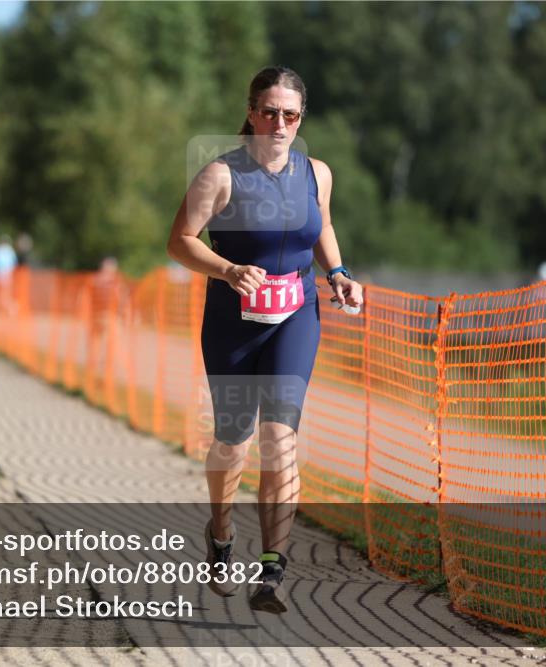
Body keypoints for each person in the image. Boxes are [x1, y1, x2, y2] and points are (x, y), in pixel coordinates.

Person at [166, 66, 363, 613]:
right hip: (233, 320)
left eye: (291, 115)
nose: (279, 124)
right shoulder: (220, 176)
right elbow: (179, 241)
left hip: (296, 315)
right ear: (251, 111)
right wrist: (228, 270)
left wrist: (339, 271)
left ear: (302, 120)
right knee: (233, 441)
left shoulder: (316, 174)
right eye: (269, 111)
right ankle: (222, 534)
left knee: (281, 439)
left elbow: (320, 227)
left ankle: (272, 569)